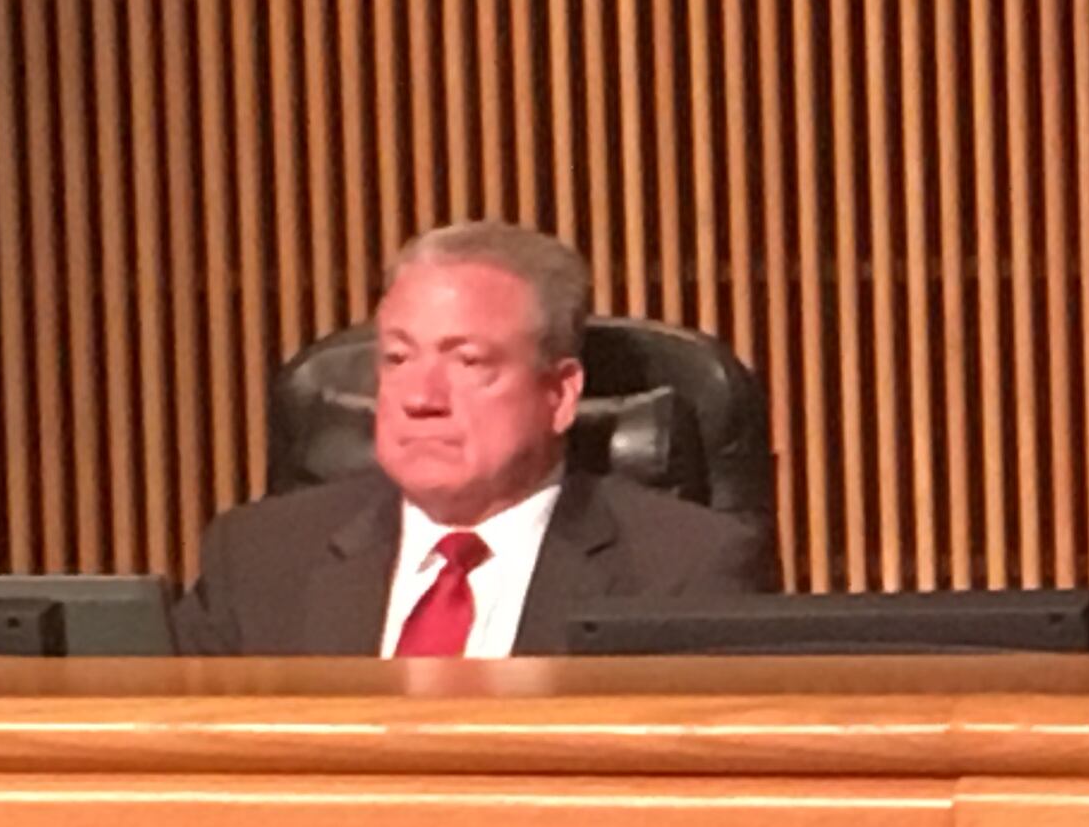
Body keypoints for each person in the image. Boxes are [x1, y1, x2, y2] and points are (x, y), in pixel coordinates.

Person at [177, 222, 773, 656]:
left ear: (560, 394)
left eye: (467, 362)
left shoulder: (685, 571)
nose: (420, 397)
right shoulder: (258, 560)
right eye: (397, 359)